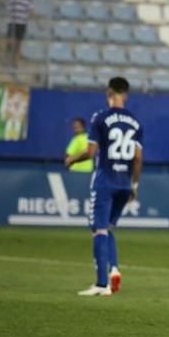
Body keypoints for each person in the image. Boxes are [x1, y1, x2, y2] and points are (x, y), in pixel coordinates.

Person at [64, 77, 142, 296]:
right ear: (126, 94)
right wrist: (134, 184)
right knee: (106, 228)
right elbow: (137, 159)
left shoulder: (100, 117)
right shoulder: (136, 122)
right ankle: (114, 269)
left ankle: (101, 284)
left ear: (109, 92)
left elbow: (90, 152)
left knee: (98, 229)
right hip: (125, 183)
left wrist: (72, 160)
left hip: (105, 181)